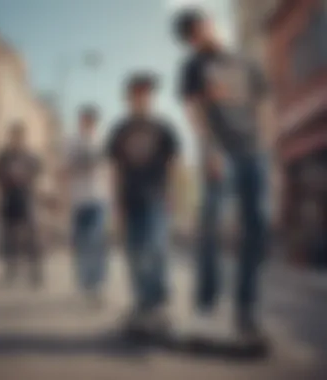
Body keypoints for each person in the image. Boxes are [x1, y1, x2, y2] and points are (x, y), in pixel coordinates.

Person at [174, 8, 268, 340]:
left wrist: (265, 144)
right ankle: (206, 304)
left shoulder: (244, 60)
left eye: (201, 27)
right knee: (211, 224)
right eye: (193, 34)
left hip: (254, 151)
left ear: (210, 25)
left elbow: (261, 102)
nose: (200, 35)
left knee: (256, 225)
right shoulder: (193, 67)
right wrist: (209, 149)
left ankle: (245, 309)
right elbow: (193, 111)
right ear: (190, 40)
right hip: (220, 152)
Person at [107, 73, 180, 334]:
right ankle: (141, 304)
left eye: (146, 93)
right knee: (135, 252)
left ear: (151, 97)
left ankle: (156, 303)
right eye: (137, 94)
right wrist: (115, 205)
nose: (142, 98)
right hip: (130, 199)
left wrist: (173, 195)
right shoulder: (119, 130)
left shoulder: (163, 128)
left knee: (155, 249)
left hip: (156, 197)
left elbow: (173, 164)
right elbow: (115, 170)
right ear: (129, 98)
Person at [65, 106, 108, 305]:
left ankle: (97, 284)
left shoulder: (101, 141)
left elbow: (110, 169)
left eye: (91, 120)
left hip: (98, 198)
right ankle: (85, 283)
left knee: (96, 241)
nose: (88, 123)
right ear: (80, 120)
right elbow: (65, 169)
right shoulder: (72, 142)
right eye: (85, 119)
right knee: (82, 243)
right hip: (78, 200)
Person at [0, 122, 42, 287]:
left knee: (31, 237)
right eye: (14, 136)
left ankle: (35, 272)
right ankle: (11, 269)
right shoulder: (3, 157)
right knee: (9, 237)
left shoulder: (29, 157)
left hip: (26, 198)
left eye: (20, 136)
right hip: (9, 198)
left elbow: (38, 172)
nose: (17, 140)